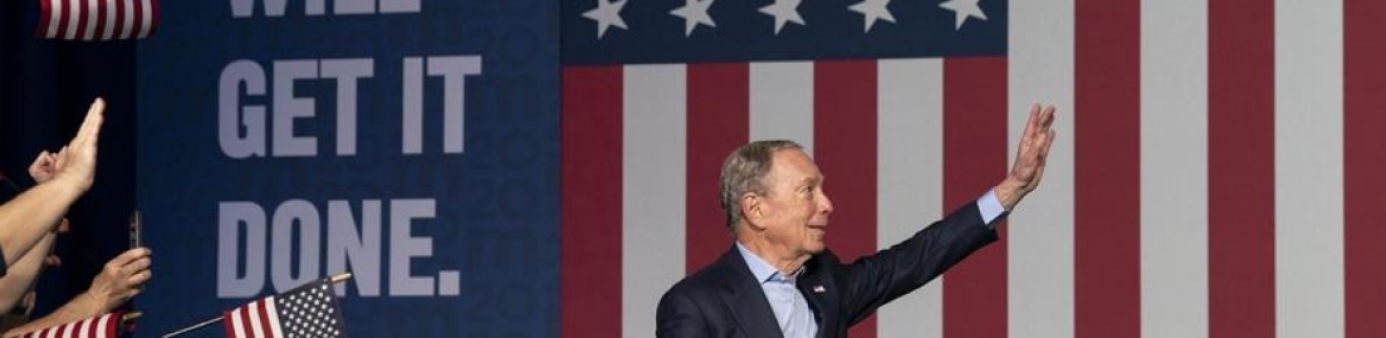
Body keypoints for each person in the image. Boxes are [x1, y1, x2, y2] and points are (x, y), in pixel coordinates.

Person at [656, 105, 1058, 338]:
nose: (827, 204)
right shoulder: (695, 305)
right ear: (755, 209)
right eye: (807, 191)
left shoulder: (825, 281)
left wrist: (1012, 189)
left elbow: (915, 259)